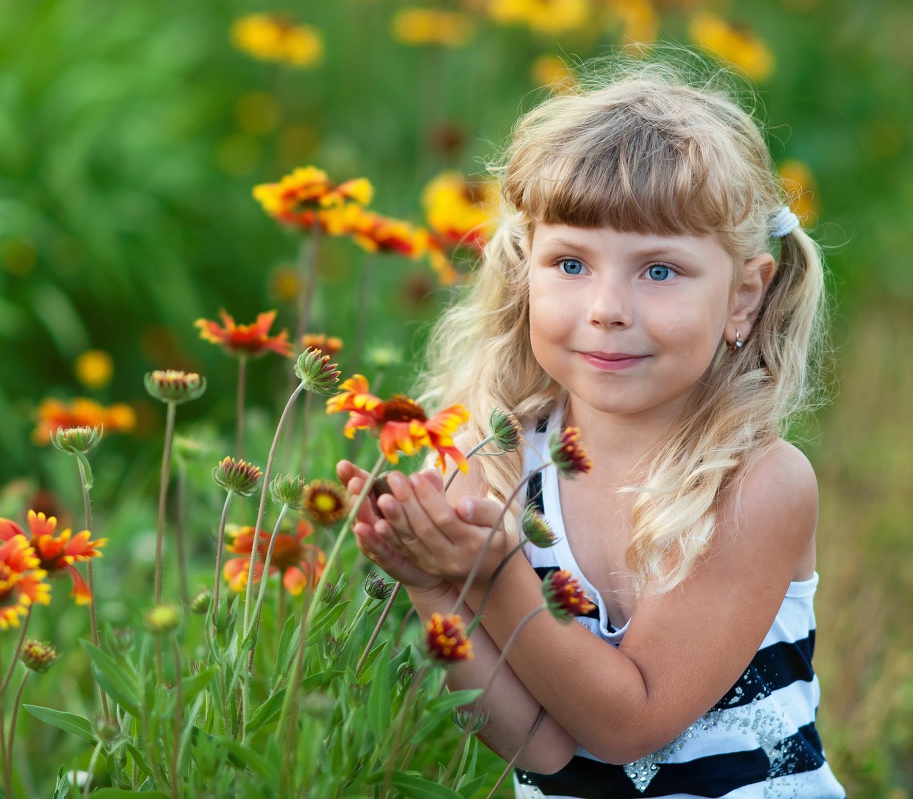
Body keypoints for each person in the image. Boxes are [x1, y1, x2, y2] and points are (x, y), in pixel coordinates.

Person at [337, 59, 846, 798]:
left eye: (660, 271)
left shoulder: (755, 483)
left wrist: (494, 576)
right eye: (571, 262)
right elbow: (541, 748)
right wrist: (433, 585)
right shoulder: (505, 462)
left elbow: (628, 724)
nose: (607, 306)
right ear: (525, 272)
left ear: (744, 295)